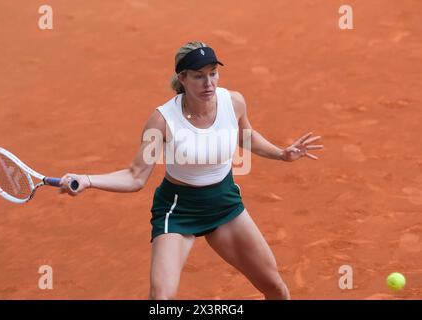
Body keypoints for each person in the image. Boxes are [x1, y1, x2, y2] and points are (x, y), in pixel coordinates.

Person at [59, 41, 324, 300]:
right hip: (178, 210)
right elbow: (135, 176)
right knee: (161, 298)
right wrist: (87, 179)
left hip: (224, 204)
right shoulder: (162, 121)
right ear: (182, 78)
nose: (209, 83)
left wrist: (282, 154)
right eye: (199, 76)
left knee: (276, 289)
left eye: (213, 74)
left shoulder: (233, 102)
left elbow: (245, 136)